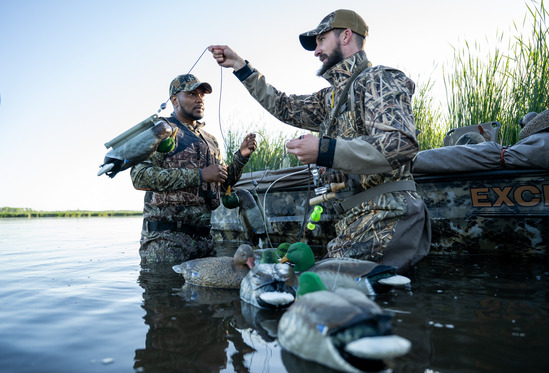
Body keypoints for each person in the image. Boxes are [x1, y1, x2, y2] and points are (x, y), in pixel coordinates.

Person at [209, 9, 430, 273]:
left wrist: (323, 150)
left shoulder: (379, 79)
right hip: (358, 217)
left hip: (389, 213)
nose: (316, 51)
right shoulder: (331, 98)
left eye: (321, 40)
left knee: (322, 288)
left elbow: (400, 143)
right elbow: (284, 106)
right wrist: (240, 67)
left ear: (346, 36)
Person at [130, 74, 257, 265]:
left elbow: (223, 184)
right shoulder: (161, 130)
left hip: (204, 242)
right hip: (166, 243)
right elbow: (139, 177)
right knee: (164, 293)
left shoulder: (210, 140)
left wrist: (242, 156)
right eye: (191, 94)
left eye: (202, 95)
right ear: (175, 100)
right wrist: (200, 175)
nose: (199, 99)